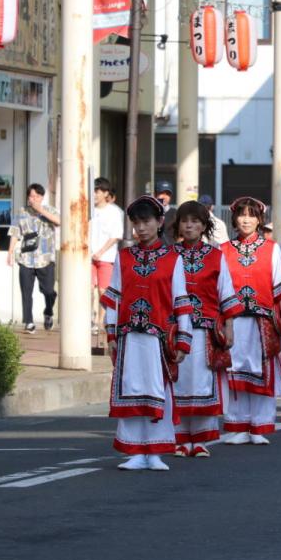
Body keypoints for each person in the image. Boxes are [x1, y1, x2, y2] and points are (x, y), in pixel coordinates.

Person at [101, 196, 193, 471]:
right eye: (137, 223)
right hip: (129, 336)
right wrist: (111, 334)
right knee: (131, 389)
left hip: (158, 338)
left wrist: (183, 340)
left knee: (157, 390)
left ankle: (156, 451)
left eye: (146, 221)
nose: (141, 228)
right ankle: (135, 450)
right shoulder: (124, 258)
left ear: (160, 222)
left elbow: (181, 301)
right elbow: (114, 297)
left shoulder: (173, 259)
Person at [171, 201, 241, 457]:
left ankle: (200, 440)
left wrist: (229, 327)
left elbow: (226, 293)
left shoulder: (216, 256)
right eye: (185, 221)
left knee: (201, 383)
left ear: (204, 225)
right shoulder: (169, 255)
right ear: (178, 224)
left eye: (195, 221)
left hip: (205, 330)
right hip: (176, 330)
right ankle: (179, 439)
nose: (189, 225)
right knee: (178, 383)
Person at [221, 198, 281, 445]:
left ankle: (260, 426)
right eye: (242, 215)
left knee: (262, 371)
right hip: (234, 319)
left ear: (259, 220)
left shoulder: (272, 248)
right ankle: (238, 425)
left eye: (252, 215)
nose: (246, 220)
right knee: (235, 370)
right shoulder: (224, 249)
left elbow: (280, 286)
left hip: (263, 320)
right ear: (235, 219)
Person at [7, 184, 60, 333]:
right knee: (26, 292)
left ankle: (48, 311)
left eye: (37, 196)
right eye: (31, 196)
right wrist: (10, 252)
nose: (34, 199)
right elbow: (15, 233)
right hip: (26, 258)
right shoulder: (21, 211)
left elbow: (59, 222)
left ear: (42, 197)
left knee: (49, 291)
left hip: (46, 258)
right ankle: (28, 321)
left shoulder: (49, 210)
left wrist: (40, 210)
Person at [91, 178, 125, 336]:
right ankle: (90, 319)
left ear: (105, 193)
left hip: (106, 257)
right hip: (88, 257)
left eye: (97, 191)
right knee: (88, 289)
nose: (94, 194)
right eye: (94, 190)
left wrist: (100, 251)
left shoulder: (114, 211)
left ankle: (100, 321)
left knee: (103, 290)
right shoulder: (88, 209)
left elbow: (116, 236)